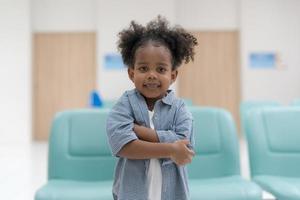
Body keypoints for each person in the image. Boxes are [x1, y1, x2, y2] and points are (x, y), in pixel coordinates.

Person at [106, 16, 198, 200]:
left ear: (173, 75)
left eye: (161, 69)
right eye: (143, 68)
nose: (151, 75)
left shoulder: (180, 109)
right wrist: (170, 149)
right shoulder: (124, 105)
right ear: (131, 73)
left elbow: (184, 144)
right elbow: (124, 146)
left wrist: (140, 131)